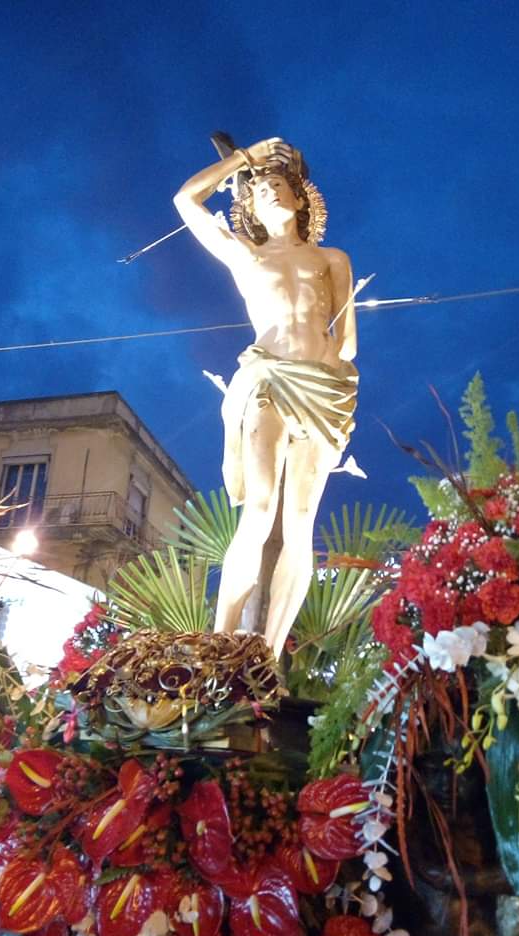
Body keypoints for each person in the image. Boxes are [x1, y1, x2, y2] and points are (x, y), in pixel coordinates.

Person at [174, 137, 358, 658]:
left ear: (301, 201)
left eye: (279, 186)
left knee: (300, 523)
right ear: (249, 210)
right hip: (270, 381)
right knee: (258, 508)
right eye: (258, 193)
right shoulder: (246, 256)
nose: (269, 194)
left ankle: (268, 656)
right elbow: (187, 201)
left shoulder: (332, 258)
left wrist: (332, 373)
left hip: (324, 388)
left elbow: (346, 338)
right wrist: (242, 159)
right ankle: (219, 642)